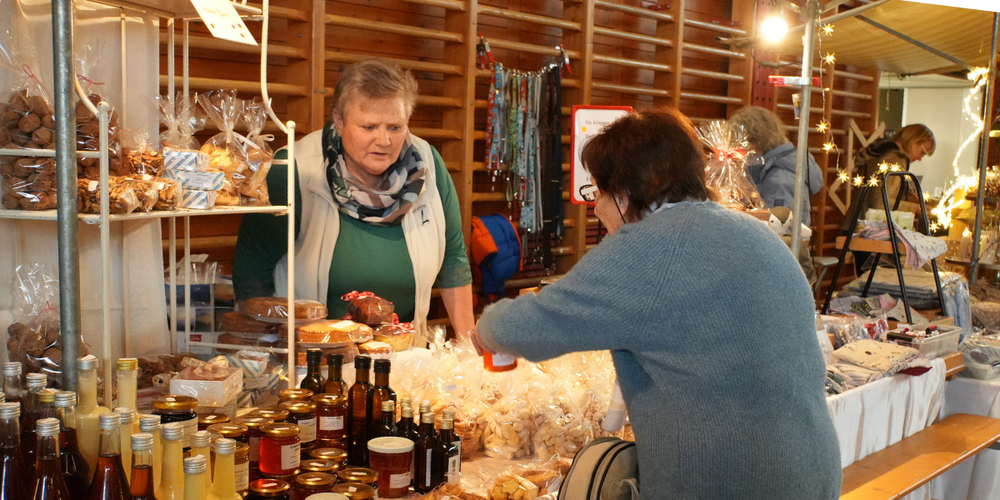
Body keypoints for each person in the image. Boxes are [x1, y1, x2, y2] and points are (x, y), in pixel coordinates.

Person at [470, 109, 841, 499]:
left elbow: (531, 327)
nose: (595, 206)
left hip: (731, 482)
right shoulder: (755, 232)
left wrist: (488, 326)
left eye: (598, 192)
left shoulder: (647, 246)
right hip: (812, 471)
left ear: (626, 192)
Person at [232, 59, 474, 339]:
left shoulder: (428, 164)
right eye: (369, 127)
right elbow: (252, 267)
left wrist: (469, 347)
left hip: (404, 349)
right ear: (339, 120)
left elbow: (454, 259)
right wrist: (267, 344)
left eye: (395, 127)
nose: (384, 141)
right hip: (313, 354)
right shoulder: (293, 168)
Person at [841, 124, 935, 274]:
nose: (919, 158)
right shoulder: (893, 160)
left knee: (868, 284)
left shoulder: (879, 153)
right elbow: (880, 202)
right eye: (922, 152)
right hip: (872, 232)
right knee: (880, 286)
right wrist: (915, 209)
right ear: (913, 140)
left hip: (858, 227)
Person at [730, 105, 824, 226]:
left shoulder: (779, 179)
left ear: (756, 141)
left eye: (741, 143)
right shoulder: (771, 168)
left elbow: (780, 229)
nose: (739, 150)